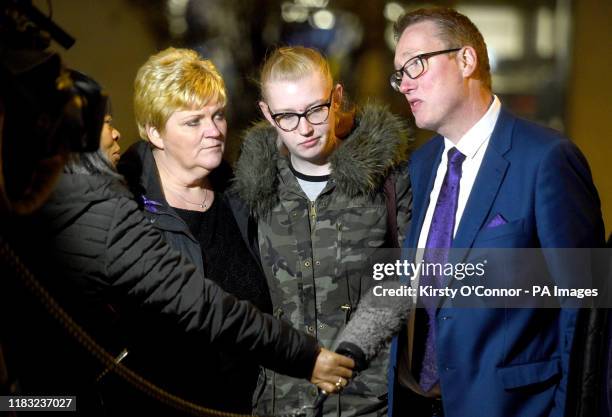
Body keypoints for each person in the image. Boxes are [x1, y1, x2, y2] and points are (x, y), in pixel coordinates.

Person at [0, 66, 354, 416]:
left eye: (217, 115)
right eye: (103, 122)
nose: (115, 132)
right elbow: (201, 304)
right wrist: (307, 357)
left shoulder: (244, 191)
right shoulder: (108, 212)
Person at [386, 7, 605, 417]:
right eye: (400, 74)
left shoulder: (546, 160)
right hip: (420, 404)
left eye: (415, 65)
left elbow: (586, 311)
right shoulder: (421, 164)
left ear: (466, 60)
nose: (405, 85)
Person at [232, 46, 412, 417]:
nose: (305, 128)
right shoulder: (254, 190)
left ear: (338, 97)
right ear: (267, 113)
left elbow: (404, 279)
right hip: (278, 402)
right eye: (287, 116)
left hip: (367, 402)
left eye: (316, 108)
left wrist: (351, 353)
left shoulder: (387, 181)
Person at [117, 47, 272, 413]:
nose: (214, 131)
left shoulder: (243, 195)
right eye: (193, 122)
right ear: (154, 132)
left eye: (217, 115)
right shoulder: (125, 210)